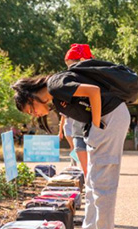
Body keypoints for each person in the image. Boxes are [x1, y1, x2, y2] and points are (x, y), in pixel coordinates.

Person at [11, 55, 131, 229]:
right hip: (105, 121)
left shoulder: (56, 85)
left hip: (110, 118)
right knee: (92, 183)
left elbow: (93, 92)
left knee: (103, 182)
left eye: (30, 110)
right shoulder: (56, 95)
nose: (35, 114)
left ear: (32, 97)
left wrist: (95, 125)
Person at [61, 44, 92, 177]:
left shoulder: (92, 78)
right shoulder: (73, 79)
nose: (69, 69)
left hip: (91, 129)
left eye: (72, 65)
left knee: (93, 168)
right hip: (78, 129)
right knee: (85, 170)